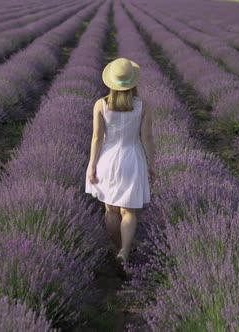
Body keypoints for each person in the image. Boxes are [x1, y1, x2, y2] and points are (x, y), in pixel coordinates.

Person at [85, 57, 156, 265]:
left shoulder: (101, 104)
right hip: (132, 158)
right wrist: (151, 165)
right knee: (129, 210)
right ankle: (125, 250)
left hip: (108, 160)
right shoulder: (143, 106)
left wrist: (92, 165)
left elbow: (97, 138)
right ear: (133, 82)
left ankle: (118, 248)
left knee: (111, 209)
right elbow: (147, 138)